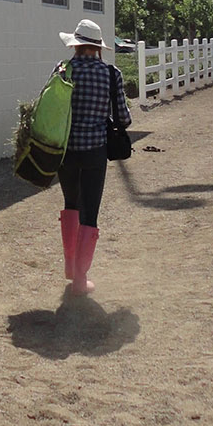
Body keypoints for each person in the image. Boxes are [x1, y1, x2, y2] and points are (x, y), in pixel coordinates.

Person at [57, 18, 131, 298]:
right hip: (95, 151)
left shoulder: (64, 70)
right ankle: (80, 277)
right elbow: (123, 118)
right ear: (98, 48)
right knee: (90, 212)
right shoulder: (111, 74)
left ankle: (68, 265)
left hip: (66, 150)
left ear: (76, 45)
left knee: (70, 203)